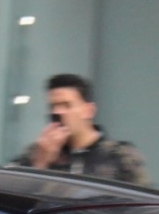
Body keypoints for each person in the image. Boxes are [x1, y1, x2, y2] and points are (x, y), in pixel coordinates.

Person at [14, 73, 151, 185]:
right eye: (53, 106)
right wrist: (41, 163)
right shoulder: (38, 152)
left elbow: (142, 207)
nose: (58, 112)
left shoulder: (119, 155)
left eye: (67, 105)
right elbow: (13, 201)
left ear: (89, 111)